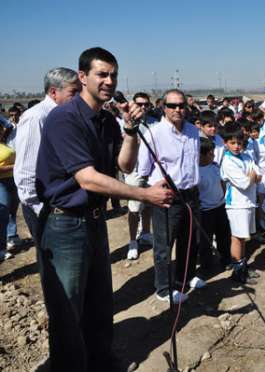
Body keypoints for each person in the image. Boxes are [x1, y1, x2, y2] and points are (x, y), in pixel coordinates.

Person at [35, 47, 173, 371]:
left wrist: (130, 130)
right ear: (82, 77)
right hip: (65, 226)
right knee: (68, 313)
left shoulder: (107, 120)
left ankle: (102, 362)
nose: (109, 81)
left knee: (99, 305)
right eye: (102, 74)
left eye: (113, 75)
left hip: (94, 224)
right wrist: (144, 195)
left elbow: (123, 164)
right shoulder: (64, 118)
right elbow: (88, 179)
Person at [137, 88, 203, 303]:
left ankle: (185, 278)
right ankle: (164, 288)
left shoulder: (193, 131)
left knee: (190, 239)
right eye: (172, 105)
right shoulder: (154, 133)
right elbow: (143, 170)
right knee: (165, 244)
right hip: (168, 198)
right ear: (163, 108)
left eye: (181, 105)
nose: (177, 109)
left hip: (191, 195)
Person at [14, 67, 79, 244]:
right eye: (73, 92)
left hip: (62, 206)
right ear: (53, 92)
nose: (79, 97)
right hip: (45, 208)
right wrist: (43, 210)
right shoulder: (36, 118)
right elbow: (26, 172)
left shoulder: (67, 116)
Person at [221, 123, 261, 284]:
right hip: (236, 204)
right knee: (237, 237)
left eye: (239, 143)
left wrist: (251, 177)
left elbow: (259, 175)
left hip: (249, 202)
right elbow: (245, 183)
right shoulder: (228, 161)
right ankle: (237, 271)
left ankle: (243, 266)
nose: (237, 146)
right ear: (226, 143)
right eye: (232, 143)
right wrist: (251, 177)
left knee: (244, 237)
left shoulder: (246, 156)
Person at [123, 92, 158, 260]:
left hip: (151, 171)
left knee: (149, 204)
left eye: (146, 104)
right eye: (139, 104)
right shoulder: (127, 122)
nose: (143, 107)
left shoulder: (154, 123)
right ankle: (132, 241)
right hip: (134, 172)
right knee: (134, 208)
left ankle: (145, 232)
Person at [198, 138, 231, 271]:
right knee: (205, 240)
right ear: (201, 154)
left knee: (224, 235)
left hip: (220, 207)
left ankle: (226, 259)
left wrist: (222, 199)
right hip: (205, 211)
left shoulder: (215, 166)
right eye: (211, 153)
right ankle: (206, 266)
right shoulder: (195, 172)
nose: (213, 155)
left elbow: (222, 183)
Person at [0, 125, 16, 261]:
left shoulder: (5, 144)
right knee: (4, 216)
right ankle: (2, 249)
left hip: (12, 181)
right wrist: (16, 166)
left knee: (11, 212)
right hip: (2, 183)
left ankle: (11, 237)